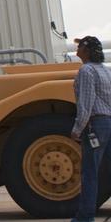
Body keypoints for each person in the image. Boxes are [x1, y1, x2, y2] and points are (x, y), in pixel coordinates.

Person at [71, 35, 111, 221]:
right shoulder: (106, 71)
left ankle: (85, 217)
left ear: (85, 50)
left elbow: (86, 104)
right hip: (110, 123)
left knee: (90, 174)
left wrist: (77, 130)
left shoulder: (86, 71)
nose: (77, 49)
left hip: (96, 126)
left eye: (79, 46)